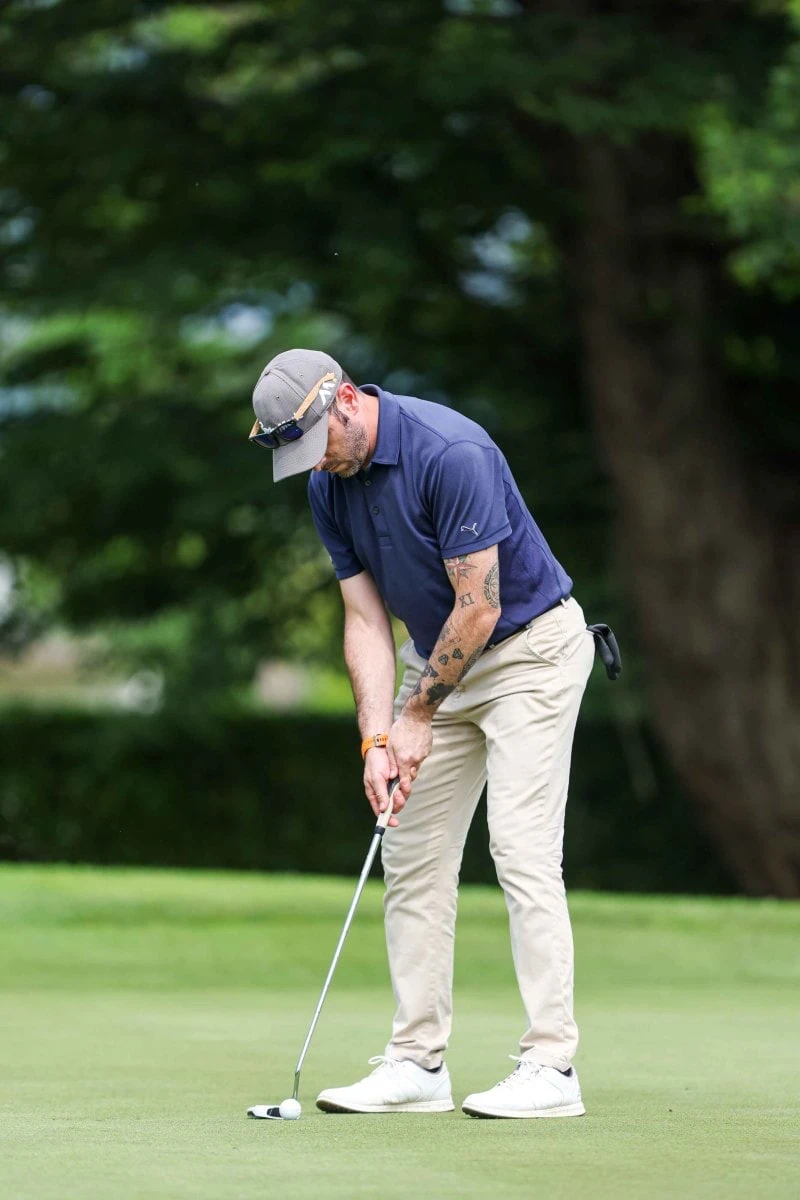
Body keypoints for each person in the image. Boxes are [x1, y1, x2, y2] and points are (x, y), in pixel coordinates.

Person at [250, 347, 597, 1119]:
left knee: (521, 848)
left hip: (529, 653)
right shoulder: (327, 486)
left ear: (343, 400)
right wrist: (377, 739)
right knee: (409, 852)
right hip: (437, 662)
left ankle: (551, 1068)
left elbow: (479, 606)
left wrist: (415, 717)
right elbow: (366, 619)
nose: (318, 464)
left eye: (319, 443)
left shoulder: (452, 451)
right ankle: (417, 1062)